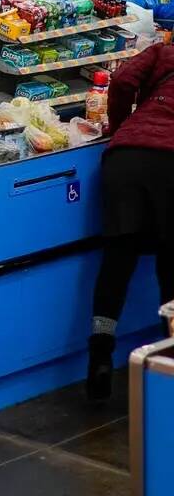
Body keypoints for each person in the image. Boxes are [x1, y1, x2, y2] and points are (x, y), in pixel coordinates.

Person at [86, 43, 174, 401]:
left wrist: (123, 126)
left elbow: (122, 80)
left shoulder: (162, 53)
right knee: (171, 270)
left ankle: (100, 359)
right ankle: (167, 366)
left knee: (116, 263)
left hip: (125, 160)